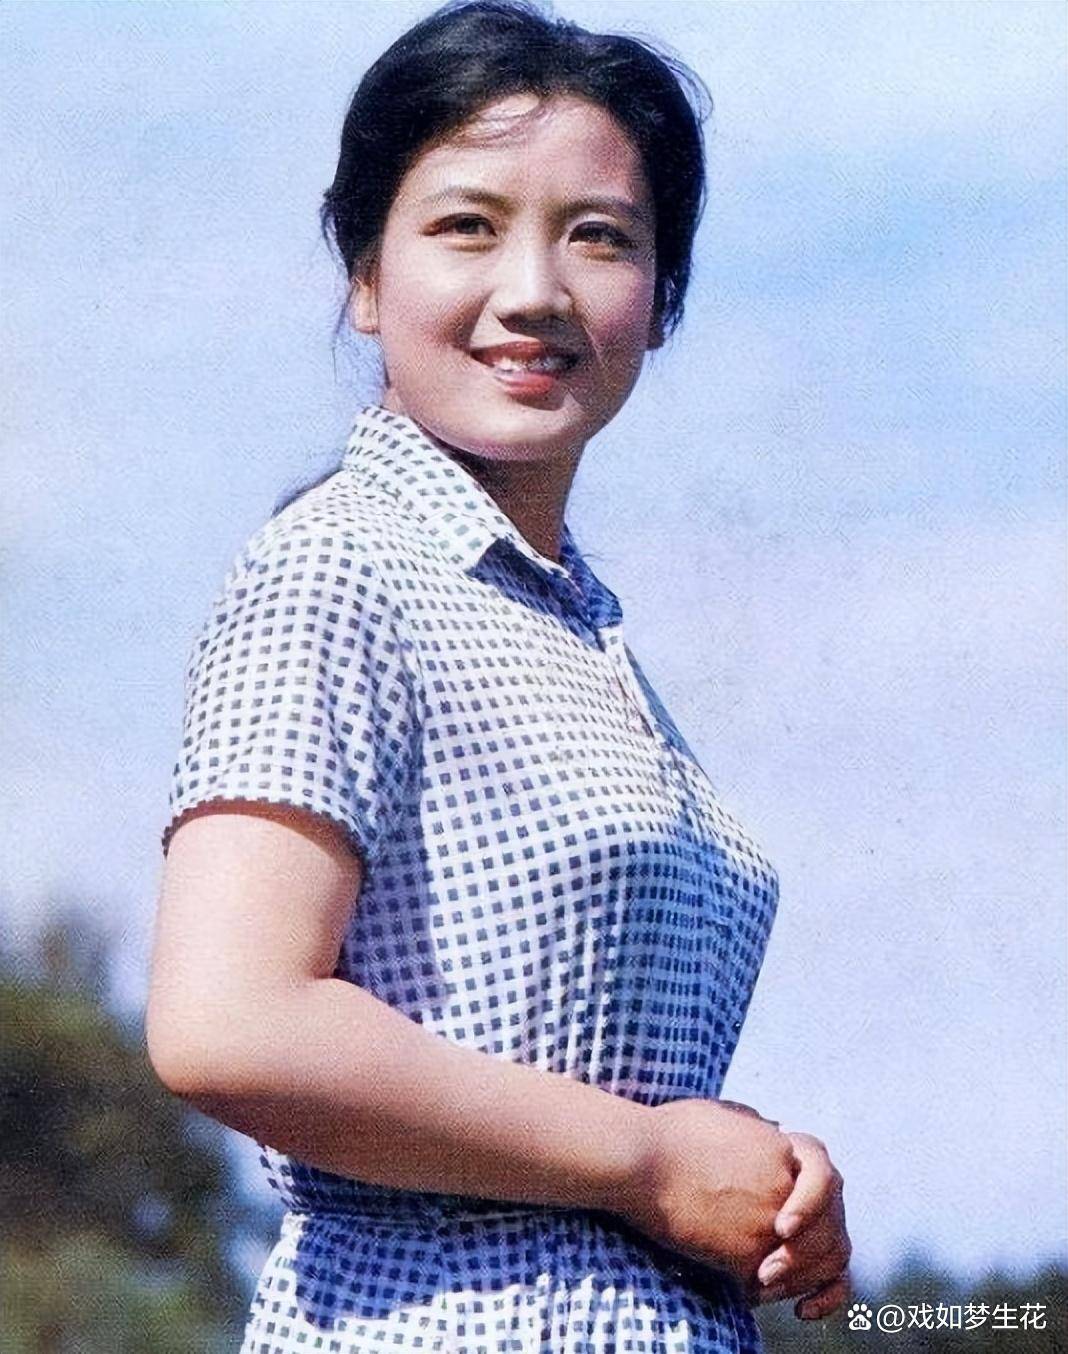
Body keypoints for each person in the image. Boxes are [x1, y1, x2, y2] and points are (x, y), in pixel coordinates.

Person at [145, 1, 852, 1350]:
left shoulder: (570, 626)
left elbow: (564, 1073)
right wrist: (646, 1160)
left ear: (663, 298)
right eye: (468, 225)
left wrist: (752, 1177)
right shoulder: (338, 566)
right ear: (366, 275)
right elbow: (227, 1021)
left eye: (602, 236)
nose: (535, 289)